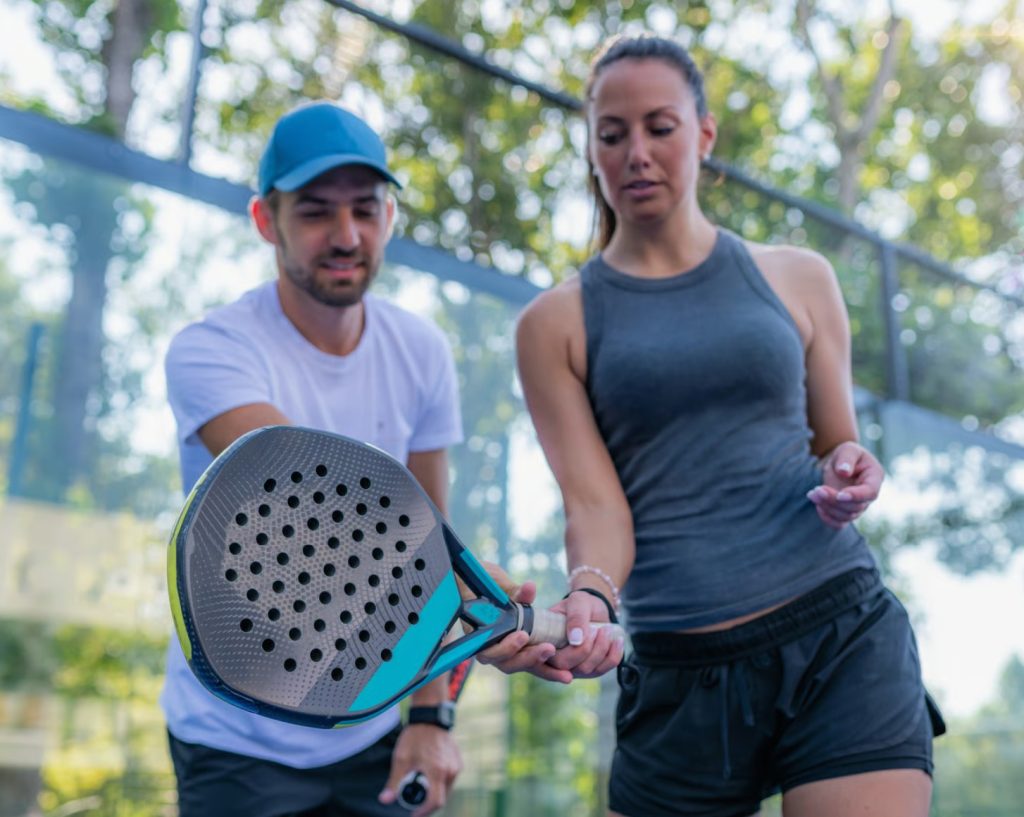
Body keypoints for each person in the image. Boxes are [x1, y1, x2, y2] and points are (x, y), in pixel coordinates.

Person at [514, 34, 944, 817]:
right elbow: (596, 505)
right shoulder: (553, 324)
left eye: (660, 127)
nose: (637, 153)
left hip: (838, 635)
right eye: (612, 134)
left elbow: (835, 444)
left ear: (704, 134)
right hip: (680, 675)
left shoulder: (801, 277)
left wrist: (850, 471)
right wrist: (592, 597)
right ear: (592, 148)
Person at [162, 102, 468, 817]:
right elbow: (306, 500)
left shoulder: (422, 350)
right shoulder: (212, 350)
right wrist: (476, 595)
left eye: (366, 208)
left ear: (389, 216)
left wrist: (429, 715)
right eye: (315, 212)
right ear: (265, 220)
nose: (347, 235)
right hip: (234, 740)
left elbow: (434, 532)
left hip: (371, 724)